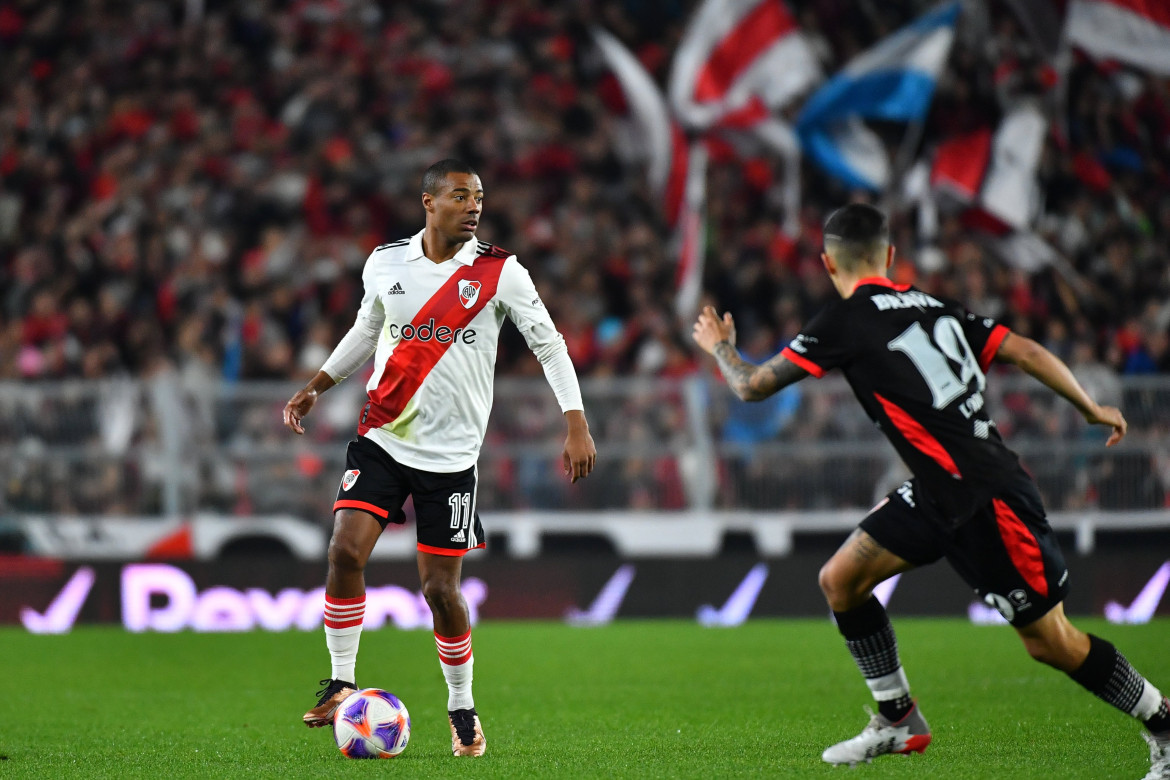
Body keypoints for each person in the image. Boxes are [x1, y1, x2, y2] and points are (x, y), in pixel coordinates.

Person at [692, 203, 1170, 777]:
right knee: (841, 581)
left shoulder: (843, 319)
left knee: (1053, 644)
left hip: (988, 500)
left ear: (827, 263)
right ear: (890, 257)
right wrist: (1090, 406)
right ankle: (897, 719)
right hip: (941, 491)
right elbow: (1026, 350)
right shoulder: (933, 305)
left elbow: (749, 386)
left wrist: (720, 346)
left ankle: (1163, 722)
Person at [283, 158, 597, 757]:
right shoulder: (385, 262)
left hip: (452, 457)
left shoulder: (500, 272)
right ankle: (341, 681)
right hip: (384, 435)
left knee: (440, 592)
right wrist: (317, 385)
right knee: (345, 549)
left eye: (478, 196)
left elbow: (550, 345)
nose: (474, 205)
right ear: (429, 202)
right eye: (461, 195)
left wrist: (575, 422)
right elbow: (366, 330)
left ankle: (461, 707)